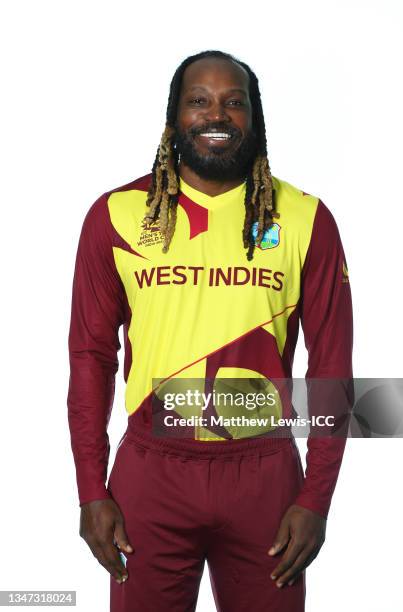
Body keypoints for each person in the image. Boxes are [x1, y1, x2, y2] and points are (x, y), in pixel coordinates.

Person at [67, 49, 354, 612]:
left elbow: (332, 366)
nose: (215, 116)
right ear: (174, 119)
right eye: (198, 101)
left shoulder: (305, 219)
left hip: (265, 475)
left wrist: (316, 498)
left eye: (233, 102)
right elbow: (89, 357)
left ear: (255, 117)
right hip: (152, 473)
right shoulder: (117, 216)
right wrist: (90, 490)